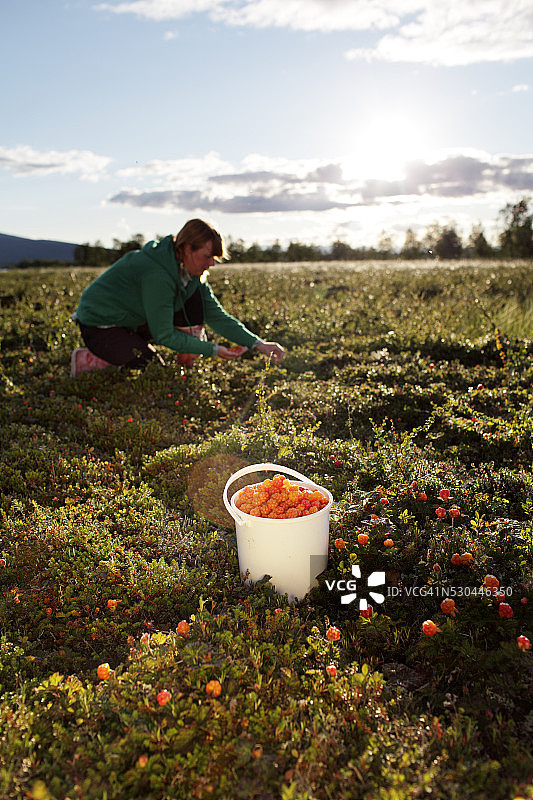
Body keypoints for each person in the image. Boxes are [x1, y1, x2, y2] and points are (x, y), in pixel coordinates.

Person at [70, 218, 285, 376]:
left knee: (194, 303)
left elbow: (217, 316)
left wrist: (258, 344)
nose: (211, 264)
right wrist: (213, 350)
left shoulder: (191, 274)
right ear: (186, 249)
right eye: (207, 256)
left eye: (214, 258)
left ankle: (150, 352)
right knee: (150, 366)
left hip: (133, 318)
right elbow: (163, 334)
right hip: (100, 325)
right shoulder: (158, 274)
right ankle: (92, 359)